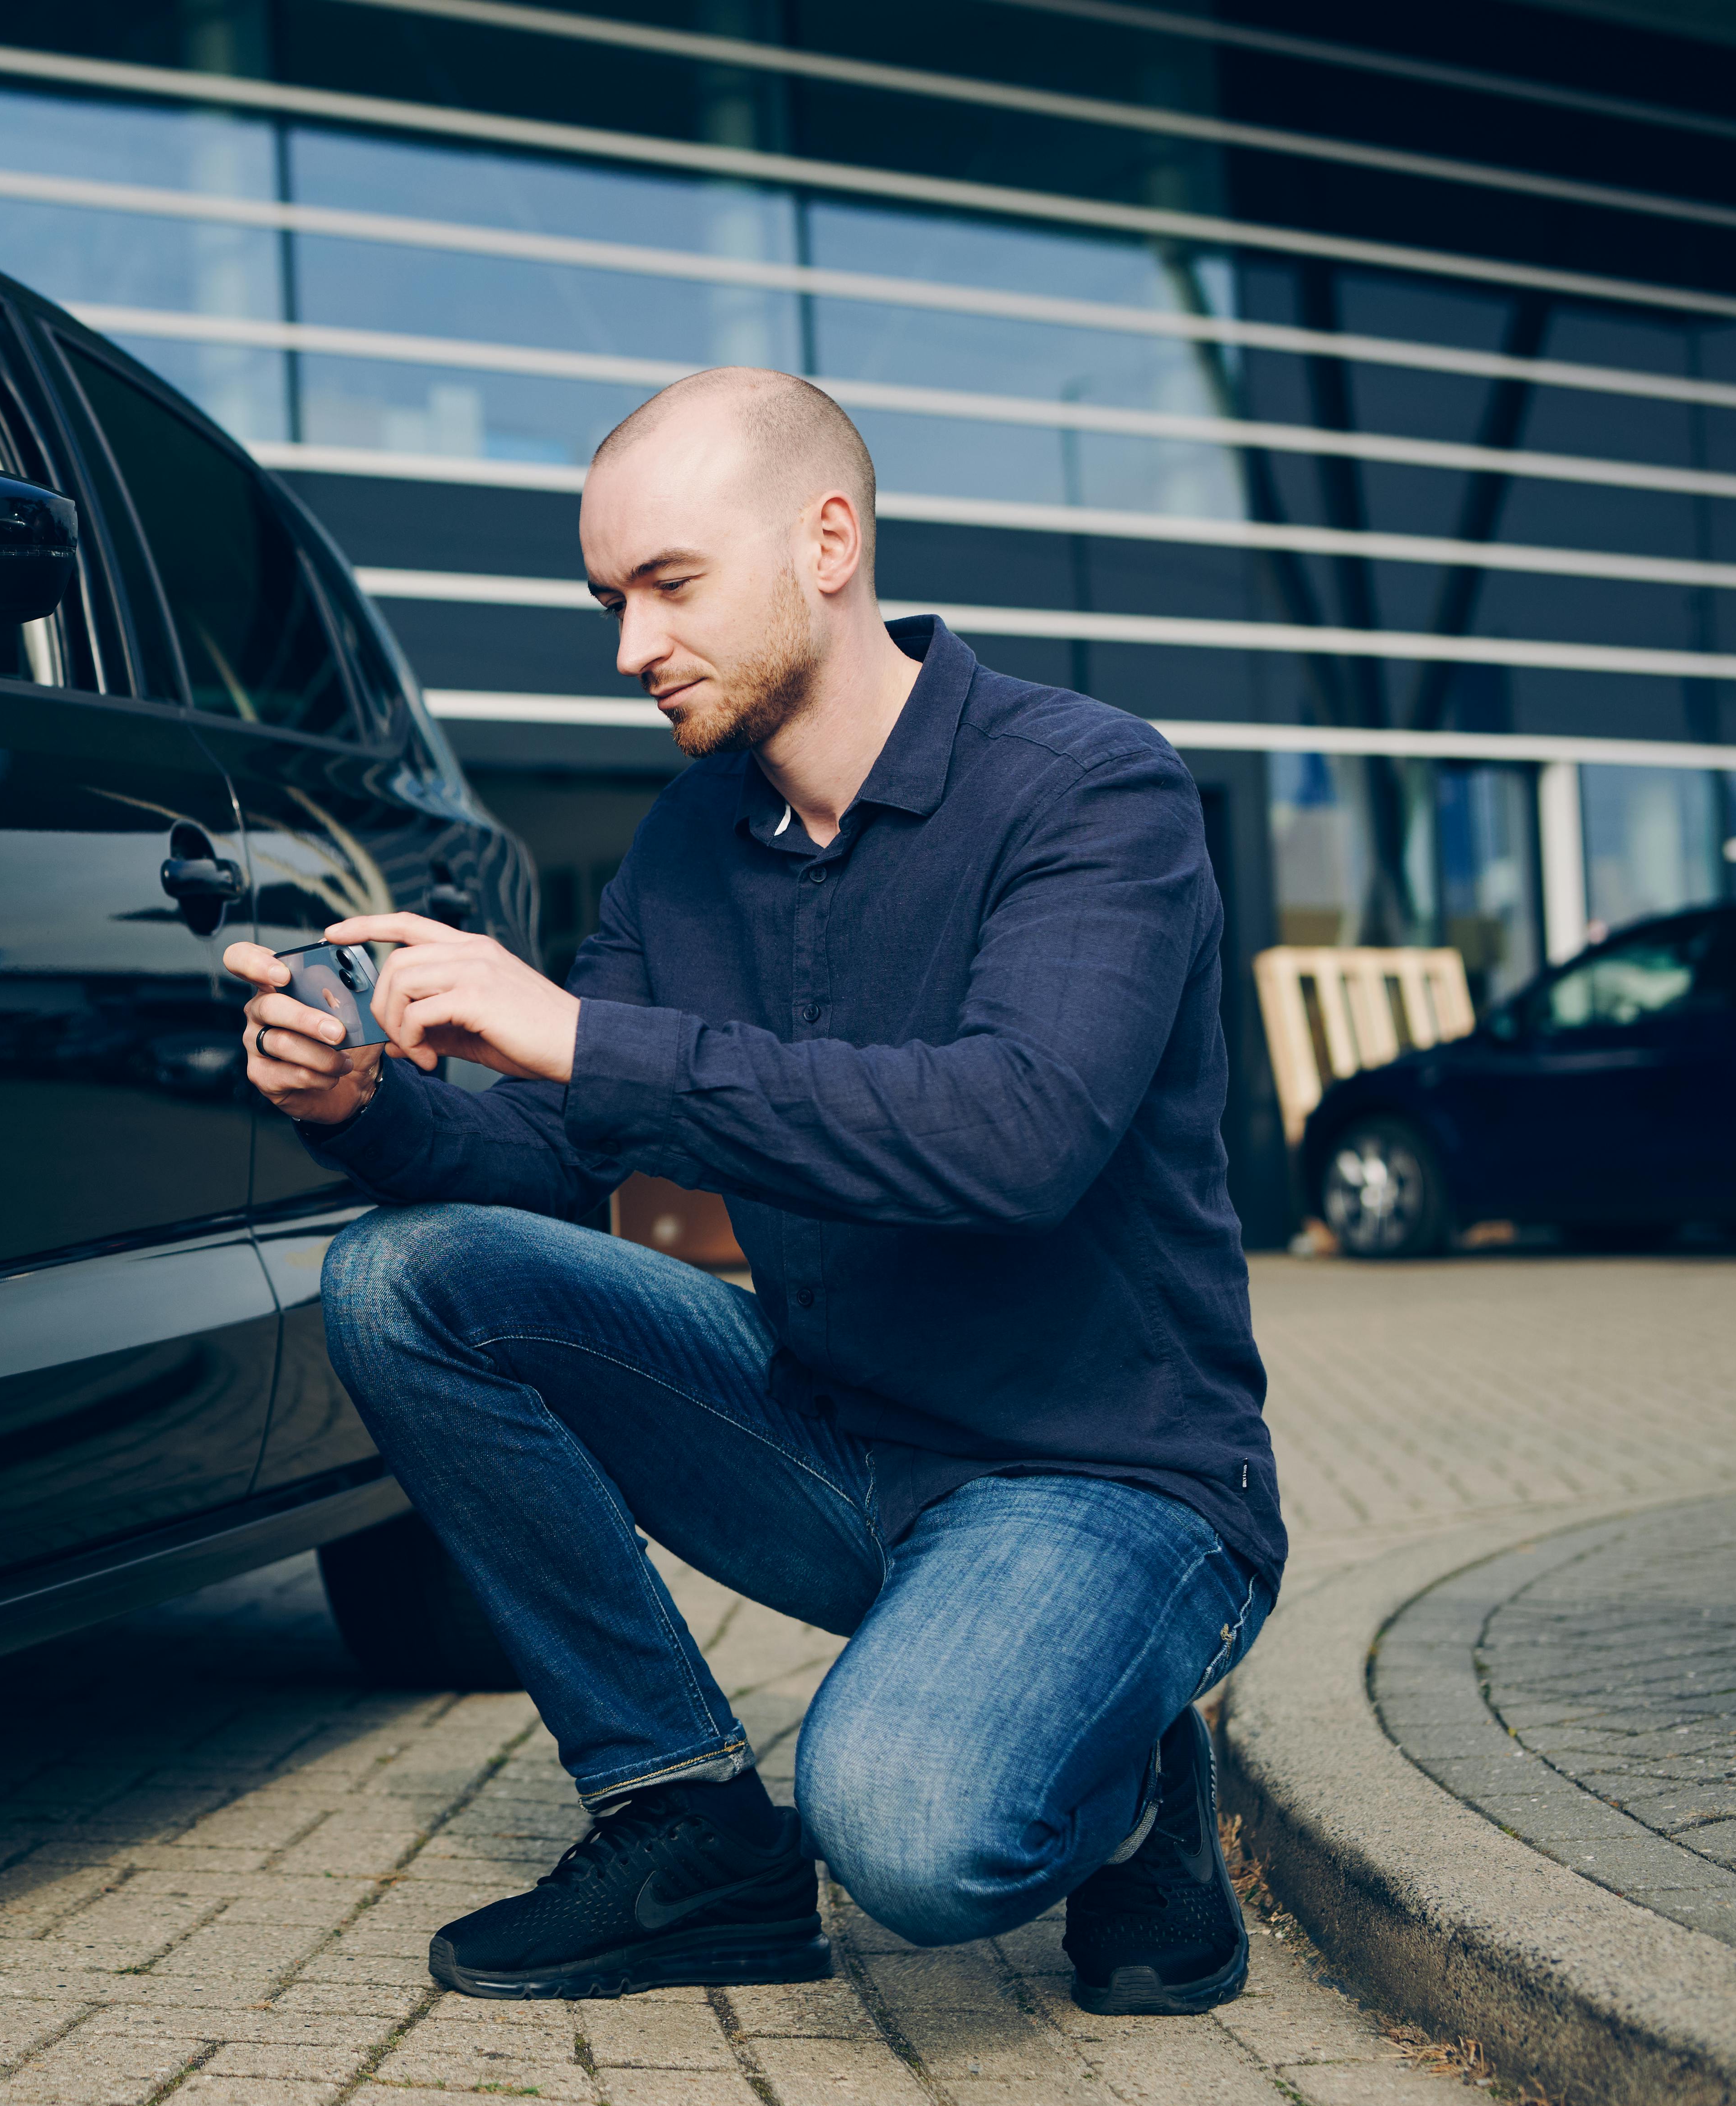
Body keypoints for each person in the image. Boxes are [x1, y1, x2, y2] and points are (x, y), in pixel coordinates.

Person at [227, 369, 1278, 2016]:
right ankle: (686, 1822)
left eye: (669, 584)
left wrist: (586, 1036)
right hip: (833, 1439)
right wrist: (365, 1101)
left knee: (905, 1831)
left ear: (827, 543)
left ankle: (1140, 1773)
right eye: (611, 601)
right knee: (403, 1275)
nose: (630, 648)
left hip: (1106, 1479)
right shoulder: (686, 844)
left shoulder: (1089, 786)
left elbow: (1020, 1135)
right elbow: (551, 1155)